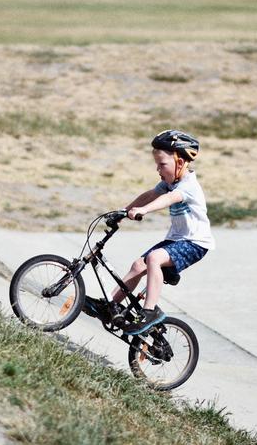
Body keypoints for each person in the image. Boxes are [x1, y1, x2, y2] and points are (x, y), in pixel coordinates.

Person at [84, 130, 215, 335]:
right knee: (138, 265)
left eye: (162, 165)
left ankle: (149, 311)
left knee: (154, 258)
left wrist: (144, 210)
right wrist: (124, 211)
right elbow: (151, 194)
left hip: (195, 243)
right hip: (176, 239)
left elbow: (167, 199)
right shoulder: (169, 183)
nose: (158, 169)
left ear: (179, 163)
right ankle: (110, 305)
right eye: (157, 164)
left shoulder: (188, 185)